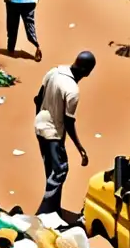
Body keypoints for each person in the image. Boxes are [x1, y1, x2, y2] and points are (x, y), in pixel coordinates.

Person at [34, 52, 96, 215]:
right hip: (53, 133)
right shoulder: (72, 90)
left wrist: (39, 118)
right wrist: (80, 148)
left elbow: (38, 98)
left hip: (40, 125)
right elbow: (69, 122)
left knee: (51, 171)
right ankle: (43, 213)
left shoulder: (54, 71)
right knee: (60, 171)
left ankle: (55, 210)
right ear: (87, 72)